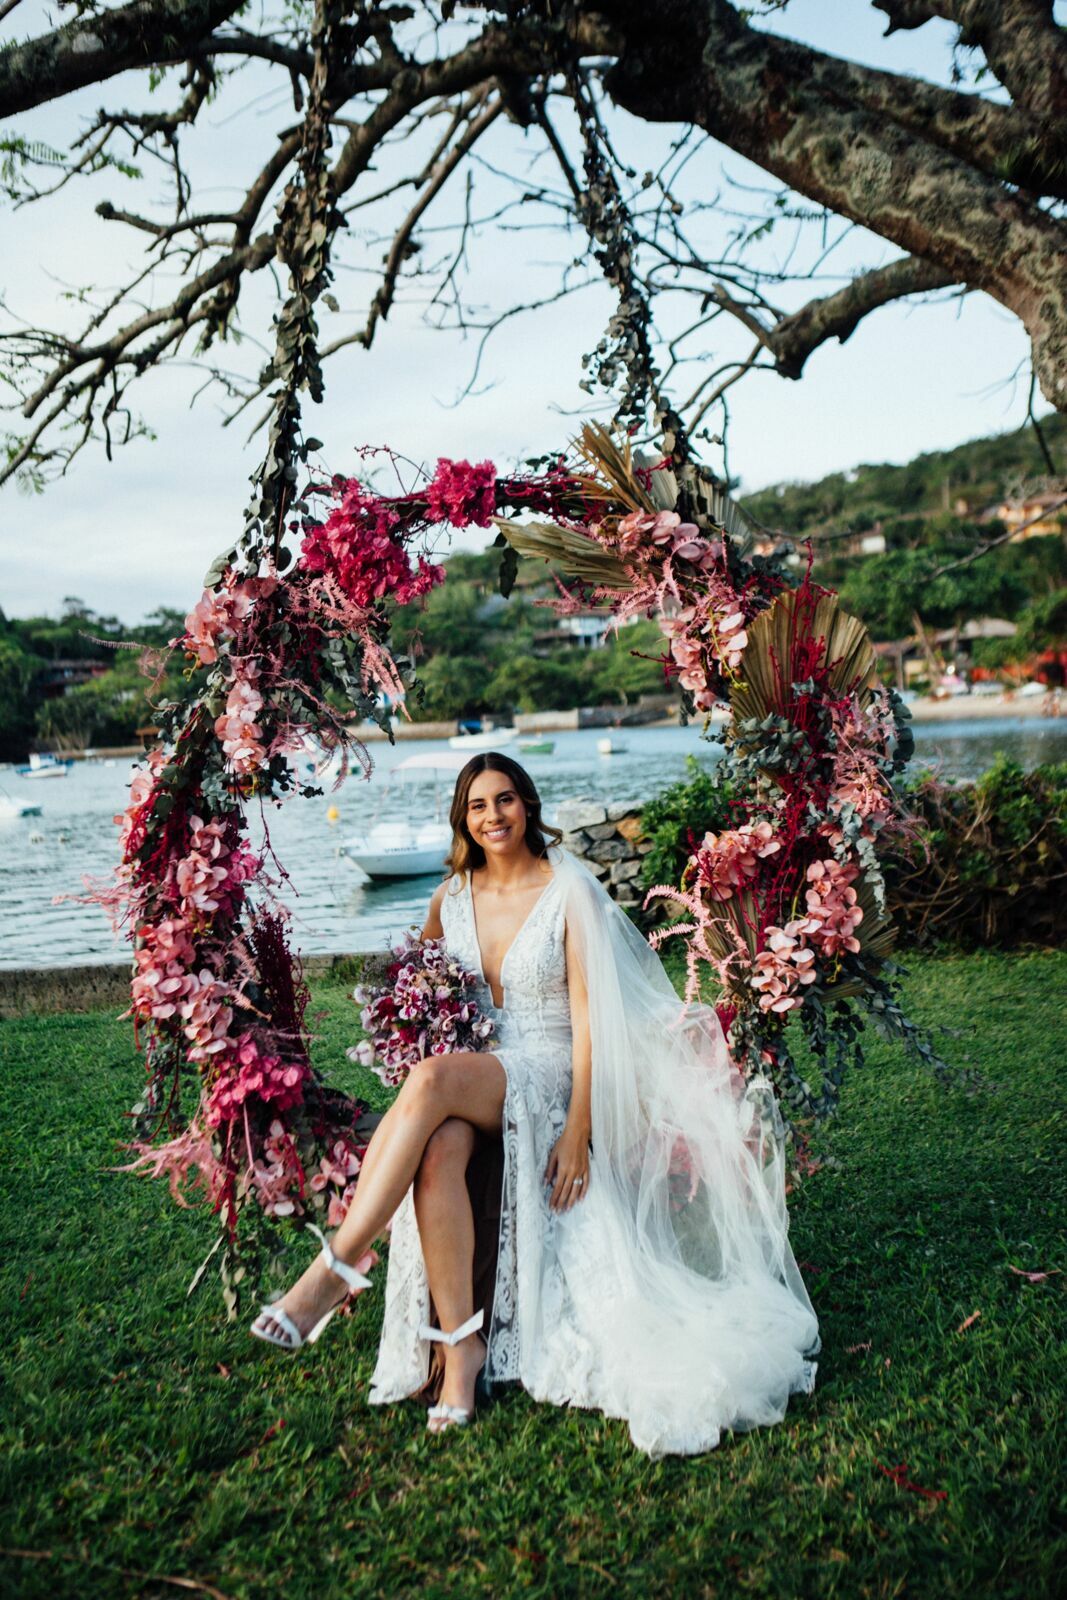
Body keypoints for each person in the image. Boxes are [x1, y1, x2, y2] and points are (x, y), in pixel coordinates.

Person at [252, 753, 820, 1456]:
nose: (493, 817)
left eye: (506, 800)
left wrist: (578, 1127)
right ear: (463, 818)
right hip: (479, 1069)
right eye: (478, 806)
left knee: (428, 1083)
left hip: (548, 1065)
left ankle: (335, 1267)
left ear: (528, 805)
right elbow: (425, 990)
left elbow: (589, 1020)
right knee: (437, 1151)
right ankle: (461, 1354)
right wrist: (412, 1023)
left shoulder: (566, 889)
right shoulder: (449, 899)